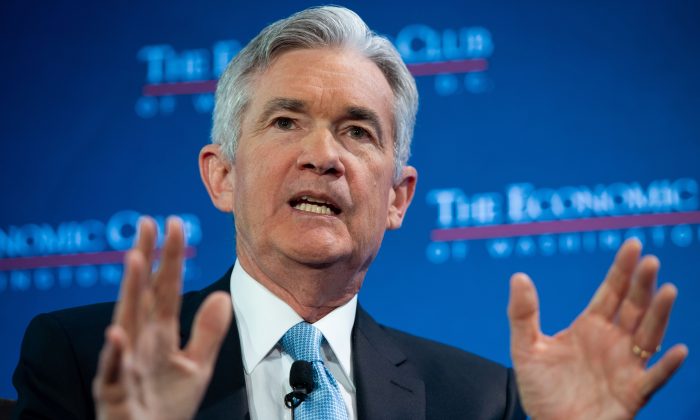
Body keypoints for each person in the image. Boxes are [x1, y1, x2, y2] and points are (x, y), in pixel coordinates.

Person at [12, 6, 687, 420]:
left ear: (398, 198)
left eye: (358, 132)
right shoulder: (89, 364)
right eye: (285, 121)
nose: (323, 156)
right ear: (222, 176)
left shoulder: (479, 402)